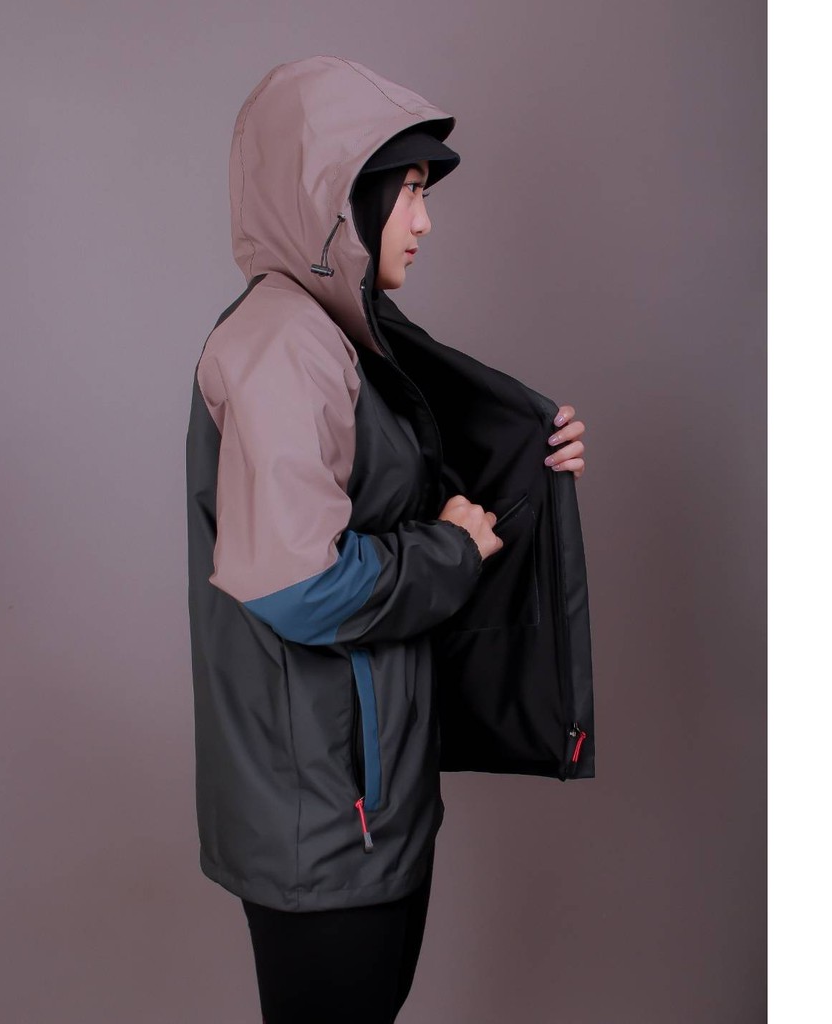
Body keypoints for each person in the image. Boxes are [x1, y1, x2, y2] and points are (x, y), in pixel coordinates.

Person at [185, 56, 587, 1024]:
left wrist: (528, 459)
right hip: (327, 819)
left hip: (363, 801)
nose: (424, 220)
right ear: (337, 199)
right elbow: (297, 583)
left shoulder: (338, 334)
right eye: (408, 190)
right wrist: (454, 550)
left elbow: (381, 496)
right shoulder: (284, 343)